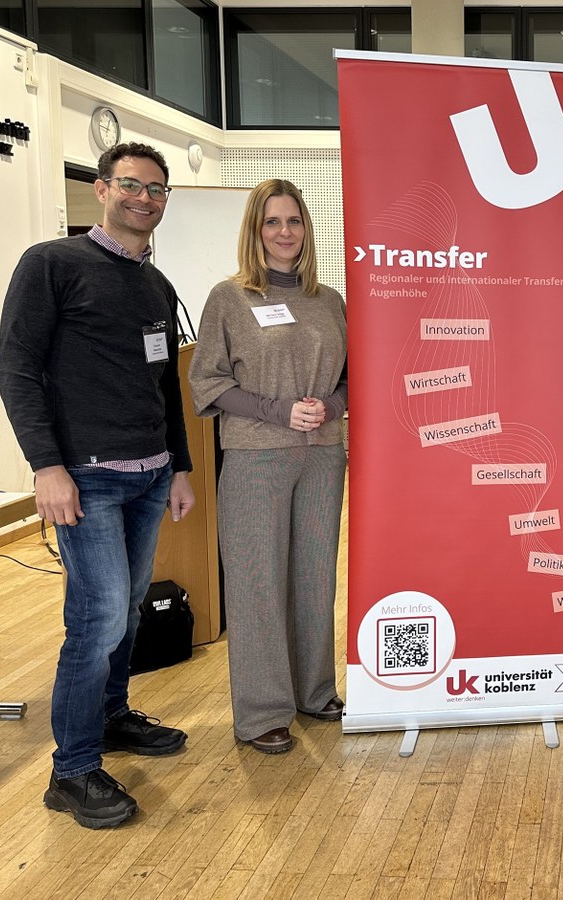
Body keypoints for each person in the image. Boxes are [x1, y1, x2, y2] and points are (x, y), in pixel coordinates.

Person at [0, 142, 195, 829]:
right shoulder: (51, 265)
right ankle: (72, 770)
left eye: (158, 190)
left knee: (129, 609)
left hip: (148, 476)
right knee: (98, 618)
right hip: (84, 477)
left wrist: (182, 464)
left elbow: (165, 383)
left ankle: (112, 718)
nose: (146, 198)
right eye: (132, 185)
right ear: (101, 190)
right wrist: (45, 466)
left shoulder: (157, 284)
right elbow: (15, 369)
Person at [190, 179, 348, 755]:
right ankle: (261, 712)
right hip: (257, 455)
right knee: (258, 583)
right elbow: (206, 380)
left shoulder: (328, 300)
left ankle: (314, 690)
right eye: (273, 222)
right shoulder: (229, 298)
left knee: (314, 576)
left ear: (307, 229)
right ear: (255, 231)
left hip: (324, 456)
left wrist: (328, 405)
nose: (285, 233)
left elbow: (352, 377)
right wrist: (278, 410)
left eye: (295, 221)